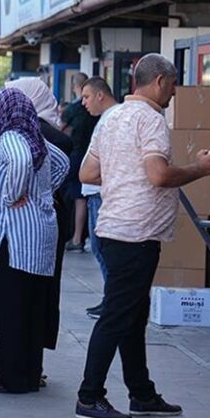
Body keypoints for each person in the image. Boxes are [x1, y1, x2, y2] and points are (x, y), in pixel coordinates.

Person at [75, 54, 210, 418]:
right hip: (136, 234)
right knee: (115, 316)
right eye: (172, 85)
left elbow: (88, 172)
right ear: (158, 81)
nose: (173, 93)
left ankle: (142, 393)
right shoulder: (152, 120)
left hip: (112, 228)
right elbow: (157, 176)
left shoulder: (114, 118)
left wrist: (124, 178)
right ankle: (89, 397)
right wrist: (200, 170)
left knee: (132, 316)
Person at [0, 88, 69, 394]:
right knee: (31, 308)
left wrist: (15, 193)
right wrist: (41, 194)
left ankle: (12, 378)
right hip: (37, 236)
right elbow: (63, 164)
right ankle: (29, 374)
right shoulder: (35, 137)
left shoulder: (13, 139)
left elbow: (21, 162)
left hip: (10, 238)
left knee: (11, 309)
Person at [6, 76, 73, 352]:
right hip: (52, 216)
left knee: (24, 289)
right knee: (45, 286)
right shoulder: (54, 132)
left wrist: (17, 192)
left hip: (28, 218)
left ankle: (22, 349)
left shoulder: (30, 132)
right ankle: (35, 348)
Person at [80, 77, 119, 319]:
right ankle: (110, 297)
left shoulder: (113, 119)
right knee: (98, 248)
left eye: (86, 97)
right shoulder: (106, 119)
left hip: (101, 194)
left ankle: (113, 300)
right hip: (95, 194)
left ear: (100, 95)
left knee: (103, 249)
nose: (83, 103)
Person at [61, 72, 98, 253]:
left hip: (76, 155)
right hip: (93, 155)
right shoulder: (98, 112)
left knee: (78, 197)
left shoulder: (73, 110)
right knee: (85, 198)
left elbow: (61, 130)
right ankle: (82, 236)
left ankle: (76, 237)